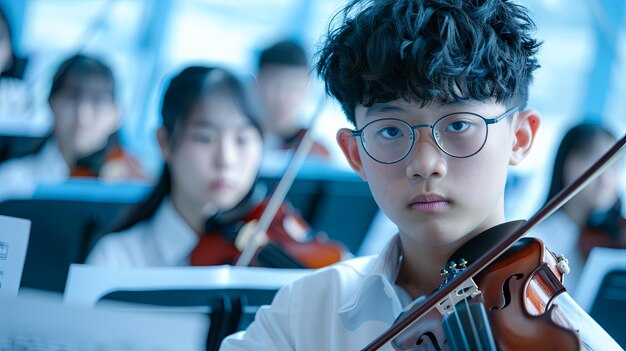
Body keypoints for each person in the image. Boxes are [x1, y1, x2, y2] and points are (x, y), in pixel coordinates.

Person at [220, 0, 621, 350]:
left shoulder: (574, 340)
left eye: (459, 125)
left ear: (519, 138)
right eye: (391, 131)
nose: (425, 163)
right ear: (355, 154)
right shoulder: (302, 313)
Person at [86, 65, 346, 268]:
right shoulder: (117, 258)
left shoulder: (266, 244)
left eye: (242, 140)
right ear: (164, 142)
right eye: (204, 138)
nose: (226, 160)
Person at [0, 54, 145, 200]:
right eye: (72, 96)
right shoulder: (12, 182)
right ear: (51, 103)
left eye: (97, 99)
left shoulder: (132, 187)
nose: (83, 115)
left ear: (115, 115)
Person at [530, 122, 624, 292]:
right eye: (594, 160)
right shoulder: (537, 242)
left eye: (615, 164)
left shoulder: (616, 236)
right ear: (566, 162)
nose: (606, 178)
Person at [256, 39, 331, 160]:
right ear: (257, 82)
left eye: (293, 87)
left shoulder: (314, 151)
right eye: (276, 84)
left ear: (307, 88)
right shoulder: (240, 142)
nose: (283, 96)